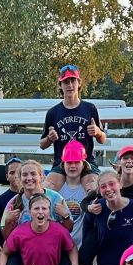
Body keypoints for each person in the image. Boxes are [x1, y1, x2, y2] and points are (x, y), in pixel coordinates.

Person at [41, 64, 106, 192]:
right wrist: (49, 138)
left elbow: (102, 139)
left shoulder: (90, 108)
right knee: (46, 190)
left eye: (73, 81)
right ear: (60, 85)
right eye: (66, 82)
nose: (70, 85)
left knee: (94, 189)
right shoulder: (53, 112)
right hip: (61, 162)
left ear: (79, 83)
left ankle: (89, 211)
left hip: (86, 161)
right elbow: (42, 145)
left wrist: (97, 132)